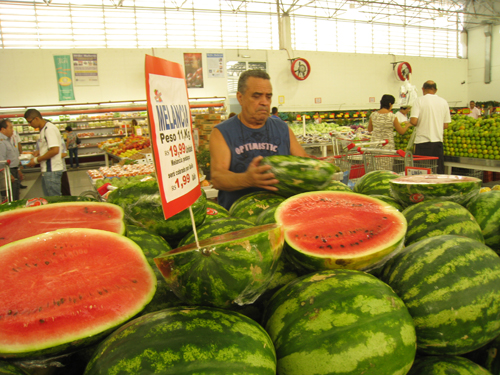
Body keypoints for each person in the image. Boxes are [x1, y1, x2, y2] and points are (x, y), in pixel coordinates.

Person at [210, 69, 308, 210]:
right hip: (239, 218)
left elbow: (304, 163)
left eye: (268, 97)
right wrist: (247, 179)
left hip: (280, 214)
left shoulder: (282, 128)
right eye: (257, 96)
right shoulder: (222, 132)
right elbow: (218, 178)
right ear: (240, 97)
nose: (264, 102)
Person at [410, 81, 451, 174]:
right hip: (438, 143)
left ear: (423, 89)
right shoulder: (444, 102)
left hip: (422, 142)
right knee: (437, 172)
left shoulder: (419, 100)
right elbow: (446, 125)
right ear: (436, 90)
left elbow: (413, 121)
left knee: (421, 172)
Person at [25, 109, 63, 196]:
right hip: (48, 171)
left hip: (52, 171)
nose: (29, 125)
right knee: (49, 199)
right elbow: (49, 147)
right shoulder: (43, 129)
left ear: (37, 119)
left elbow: (54, 150)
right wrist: (39, 152)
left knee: (54, 201)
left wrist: (36, 160)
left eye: (30, 122)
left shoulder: (49, 129)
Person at [368, 95, 413, 170]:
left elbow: (369, 129)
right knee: (386, 169)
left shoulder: (373, 115)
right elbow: (401, 131)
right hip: (387, 147)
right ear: (389, 104)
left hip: (374, 145)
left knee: (374, 169)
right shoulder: (392, 116)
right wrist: (408, 125)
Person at [0, 119, 20, 201]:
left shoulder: (7, 140)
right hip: (7, 172)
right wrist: (8, 175)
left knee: (15, 194)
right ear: (3, 129)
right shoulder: (1, 142)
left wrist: (18, 169)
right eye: (11, 128)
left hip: (13, 170)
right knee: (10, 196)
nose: (13, 130)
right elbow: (1, 160)